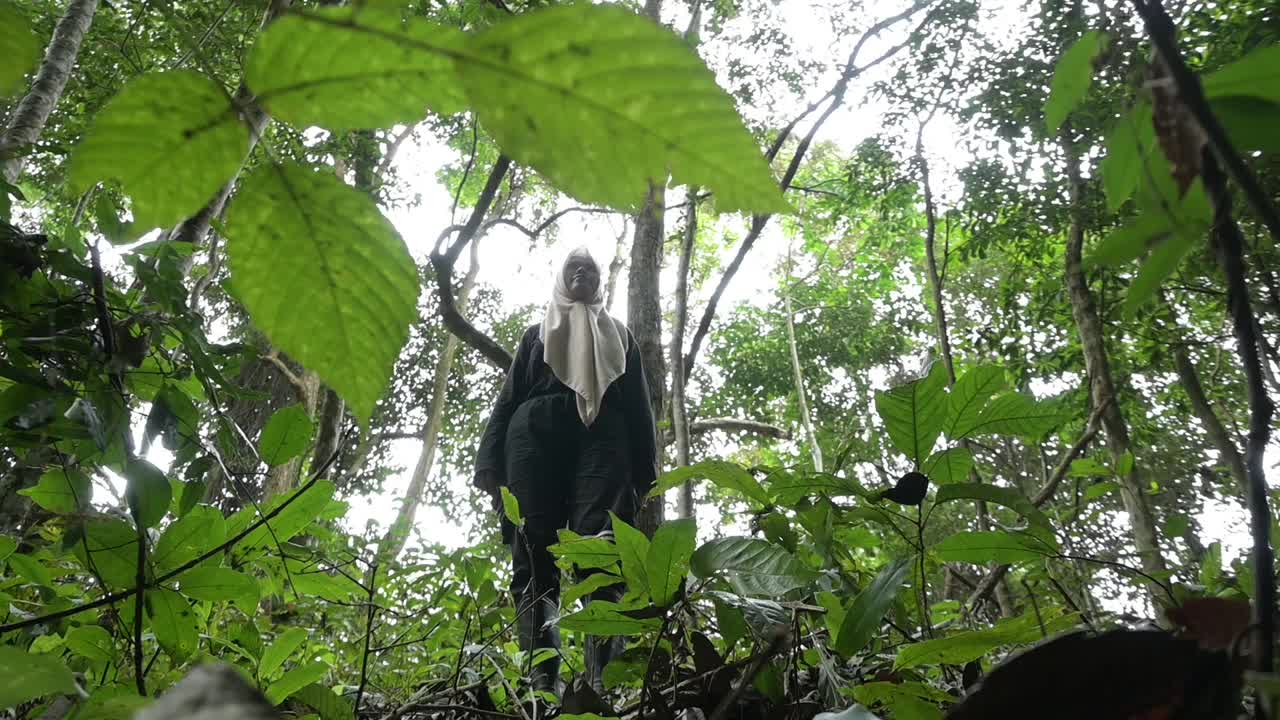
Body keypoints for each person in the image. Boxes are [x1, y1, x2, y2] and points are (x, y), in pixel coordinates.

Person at [473, 247, 659, 698]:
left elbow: (640, 407)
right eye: (573, 267)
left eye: (590, 268)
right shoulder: (536, 335)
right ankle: (543, 683)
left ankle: (601, 681)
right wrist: (489, 463)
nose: (582, 272)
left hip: (605, 438)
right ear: (560, 278)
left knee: (600, 544)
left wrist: (646, 473)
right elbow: (508, 398)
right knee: (533, 549)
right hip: (532, 437)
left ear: (600, 282)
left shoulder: (620, 336)